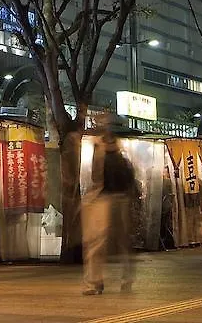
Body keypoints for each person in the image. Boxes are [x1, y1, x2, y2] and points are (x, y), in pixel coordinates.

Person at [82, 119, 137, 295]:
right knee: (120, 243)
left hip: (105, 200)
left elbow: (96, 179)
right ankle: (117, 280)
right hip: (115, 200)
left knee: (99, 243)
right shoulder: (120, 157)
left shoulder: (103, 154)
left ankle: (96, 283)